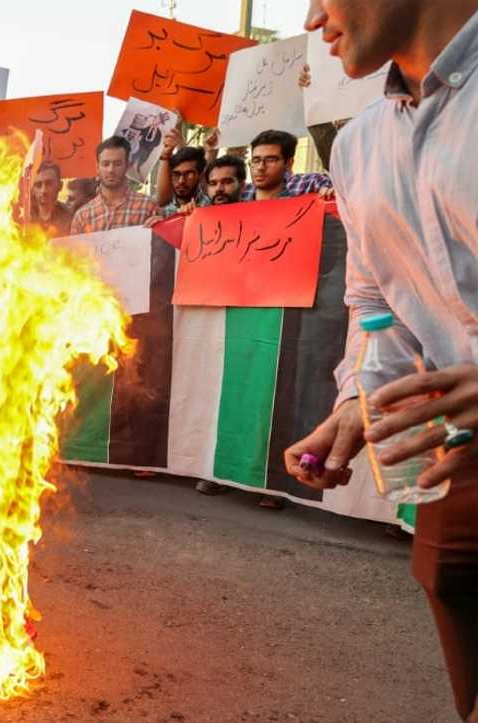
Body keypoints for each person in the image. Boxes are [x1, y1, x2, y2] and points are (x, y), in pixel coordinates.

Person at [288, 2, 478, 720]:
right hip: (458, 464)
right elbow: (377, 302)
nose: (313, 18)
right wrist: (358, 400)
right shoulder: (358, 145)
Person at [70, 136, 161, 235]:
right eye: (105, 164)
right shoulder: (83, 216)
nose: (111, 170)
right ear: (97, 167)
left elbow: (160, 242)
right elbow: (73, 245)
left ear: (128, 165)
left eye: (117, 164)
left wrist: (161, 228)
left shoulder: (148, 206)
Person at [242, 130, 335, 201]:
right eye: (256, 160)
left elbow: (332, 191)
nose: (260, 167)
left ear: (289, 163)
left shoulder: (308, 184)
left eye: (270, 160)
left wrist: (330, 192)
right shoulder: (240, 193)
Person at [30, 160, 73, 237]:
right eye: (38, 185)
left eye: (49, 184)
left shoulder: (71, 218)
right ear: (32, 189)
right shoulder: (24, 218)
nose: (43, 190)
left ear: (60, 186)